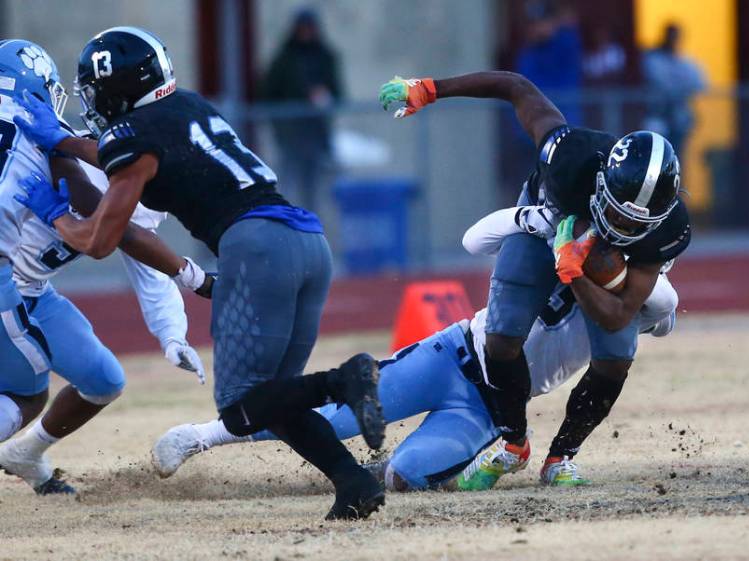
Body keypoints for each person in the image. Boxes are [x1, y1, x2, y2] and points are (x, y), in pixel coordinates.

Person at [13, 27, 383, 520]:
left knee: (237, 404)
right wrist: (62, 140)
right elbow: (128, 155)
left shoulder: (132, 137)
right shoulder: (186, 106)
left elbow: (100, 241)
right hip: (308, 242)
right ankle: (353, 482)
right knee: (272, 398)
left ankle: (345, 379)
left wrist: (57, 214)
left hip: (257, 246)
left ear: (117, 86)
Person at [151, 202, 680, 490]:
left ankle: (389, 469)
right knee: (340, 416)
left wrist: (628, 301)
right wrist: (534, 221)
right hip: (454, 356)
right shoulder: (561, 235)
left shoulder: (651, 295)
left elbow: (658, 312)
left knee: (407, 475)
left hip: (491, 409)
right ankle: (205, 435)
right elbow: (475, 239)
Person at [379, 71, 691, 490]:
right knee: (502, 334)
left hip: (609, 263)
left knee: (616, 357)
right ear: (601, 183)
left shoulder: (670, 228)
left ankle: (561, 457)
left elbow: (617, 316)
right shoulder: (571, 157)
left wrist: (575, 273)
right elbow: (517, 87)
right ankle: (513, 443)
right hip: (548, 226)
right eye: (616, 212)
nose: (619, 225)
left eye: (634, 222)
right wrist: (434, 88)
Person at [0, 39, 208, 494]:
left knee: (104, 380)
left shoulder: (86, 152)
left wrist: (172, 332)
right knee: (25, 391)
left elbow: (136, 253)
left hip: (32, 291)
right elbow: (121, 239)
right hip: (5, 286)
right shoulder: (50, 142)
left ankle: (23, 454)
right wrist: (197, 280)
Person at [260, 8, 345, 215]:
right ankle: (290, 220)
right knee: (289, 183)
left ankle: (314, 223)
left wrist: (323, 97)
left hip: (317, 136)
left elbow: (337, 92)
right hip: (290, 136)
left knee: (316, 187)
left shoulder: (325, 56)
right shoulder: (285, 59)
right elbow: (267, 92)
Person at [642, 23, 706, 158]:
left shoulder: (685, 62)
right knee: (656, 156)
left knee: (677, 157)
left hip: (679, 119)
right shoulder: (653, 59)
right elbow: (661, 82)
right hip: (657, 118)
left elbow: (700, 83)